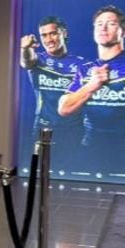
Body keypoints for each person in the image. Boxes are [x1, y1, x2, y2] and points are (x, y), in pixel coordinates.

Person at [56, 6, 125, 175]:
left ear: (124, 31)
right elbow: (64, 108)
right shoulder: (85, 69)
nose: (103, 28)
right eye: (99, 24)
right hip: (89, 149)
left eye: (111, 23)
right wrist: (92, 85)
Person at [20, 15, 85, 166]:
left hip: (73, 129)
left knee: (71, 172)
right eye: (44, 35)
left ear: (64, 33)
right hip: (43, 127)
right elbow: (26, 61)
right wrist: (25, 48)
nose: (48, 39)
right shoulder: (38, 59)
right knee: (40, 170)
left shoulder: (81, 64)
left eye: (53, 33)